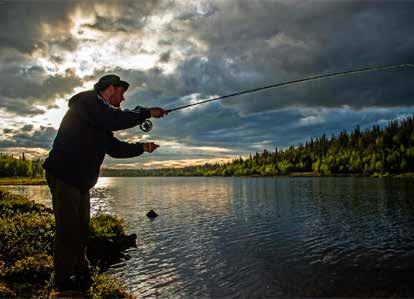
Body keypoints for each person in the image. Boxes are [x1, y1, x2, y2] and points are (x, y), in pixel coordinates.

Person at [42, 74, 167, 291]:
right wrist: (147, 112)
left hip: (80, 181)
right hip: (64, 175)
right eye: (122, 93)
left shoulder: (100, 119)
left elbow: (115, 148)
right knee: (67, 229)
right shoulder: (88, 103)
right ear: (110, 88)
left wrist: (142, 148)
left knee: (81, 228)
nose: (124, 99)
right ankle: (62, 281)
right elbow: (114, 119)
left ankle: (81, 271)